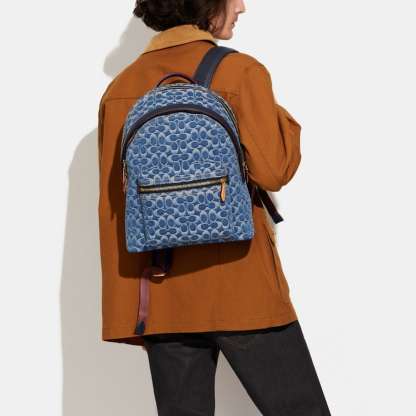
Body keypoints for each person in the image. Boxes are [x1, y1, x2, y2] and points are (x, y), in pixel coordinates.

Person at [97, 0, 332, 414]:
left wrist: (133, 313)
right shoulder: (241, 72)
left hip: (163, 295)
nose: (241, 6)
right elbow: (275, 169)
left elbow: (115, 208)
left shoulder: (121, 88)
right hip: (243, 285)